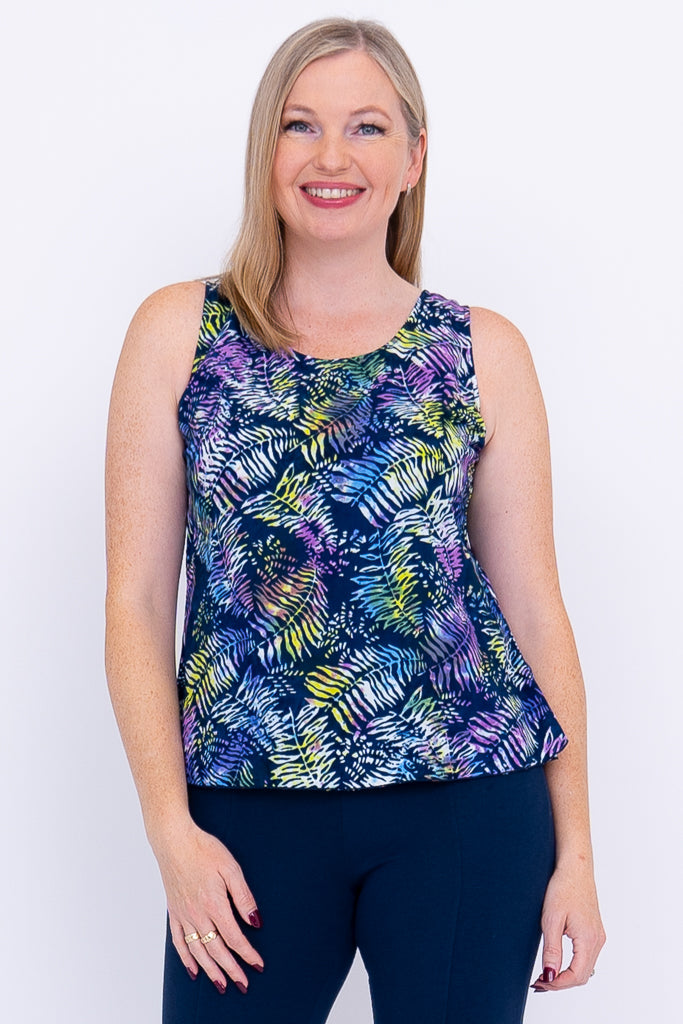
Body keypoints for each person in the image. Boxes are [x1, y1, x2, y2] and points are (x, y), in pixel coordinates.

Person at [104, 16, 606, 1024]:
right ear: (266, 150)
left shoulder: (481, 351)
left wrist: (577, 858)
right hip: (245, 811)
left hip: (465, 807)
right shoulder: (178, 334)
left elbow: (534, 611)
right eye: (301, 125)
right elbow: (136, 603)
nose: (331, 156)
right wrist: (170, 832)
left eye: (366, 127)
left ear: (413, 158)